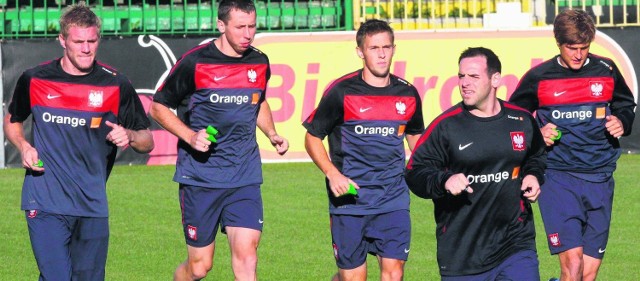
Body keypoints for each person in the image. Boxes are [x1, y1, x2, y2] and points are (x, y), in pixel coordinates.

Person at [3, 2, 154, 280]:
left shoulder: (116, 84)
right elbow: (12, 120)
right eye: (79, 41)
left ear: (99, 39)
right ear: (62, 40)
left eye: (92, 41)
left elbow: (147, 141)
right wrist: (24, 146)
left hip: (92, 204)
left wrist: (130, 135)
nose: (86, 49)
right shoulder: (35, 79)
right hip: (45, 201)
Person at [149, 0, 289, 280]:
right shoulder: (195, 62)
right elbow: (158, 107)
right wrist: (190, 136)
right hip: (201, 178)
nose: (248, 34)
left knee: (247, 255)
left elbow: (258, 101)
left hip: (244, 175)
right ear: (221, 25)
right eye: (240, 27)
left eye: (252, 26)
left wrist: (271, 133)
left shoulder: (259, 61)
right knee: (199, 267)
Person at [508, 9, 636, 281]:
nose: (579, 54)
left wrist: (622, 121)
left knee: (588, 274)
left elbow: (625, 104)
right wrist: (535, 132)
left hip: (600, 177)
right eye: (572, 48)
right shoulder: (539, 77)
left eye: (584, 48)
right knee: (573, 265)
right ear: (558, 43)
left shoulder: (607, 70)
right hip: (558, 178)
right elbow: (512, 117)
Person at [405, 47, 547, 280]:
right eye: (461, 76)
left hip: (515, 244)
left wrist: (533, 175)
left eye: (473, 76)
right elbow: (414, 172)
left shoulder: (520, 120)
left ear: (495, 79)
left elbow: (536, 156)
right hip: (463, 254)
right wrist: (444, 180)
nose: (464, 83)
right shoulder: (446, 126)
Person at [302, 19, 424, 281]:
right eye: (374, 48)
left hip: (393, 198)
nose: (381, 54)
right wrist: (332, 174)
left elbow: (415, 136)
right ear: (360, 51)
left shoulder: (409, 93)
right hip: (350, 201)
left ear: (394, 49)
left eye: (387, 47)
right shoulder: (341, 91)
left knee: (394, 274)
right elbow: (312, 137)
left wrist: (434, 169)